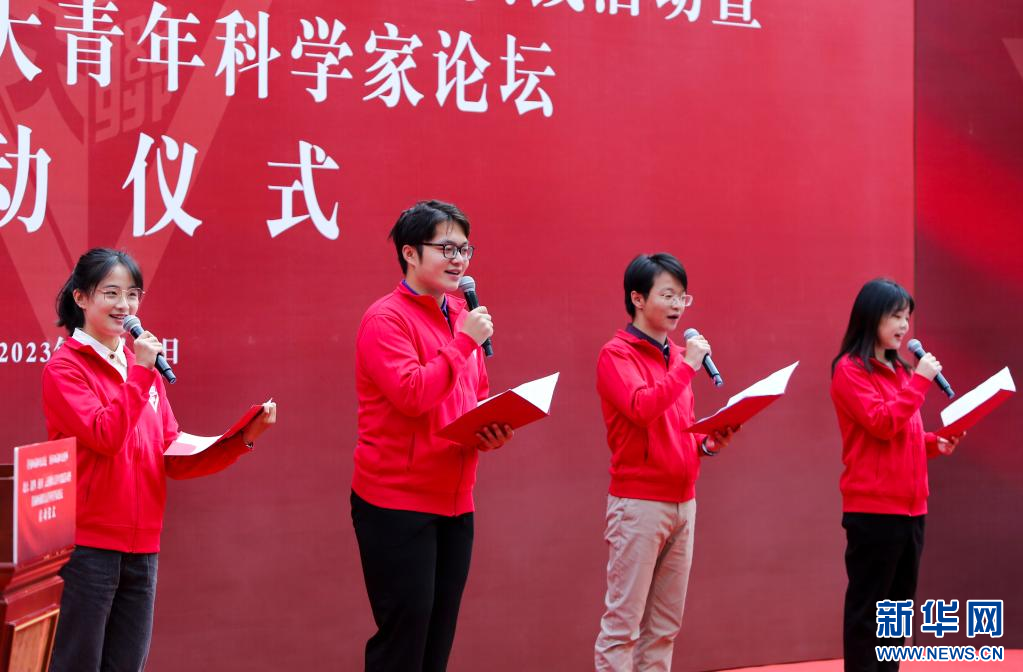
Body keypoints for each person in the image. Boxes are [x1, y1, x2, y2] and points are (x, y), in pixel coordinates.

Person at [42, 248, 277, 672]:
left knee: (127, 664)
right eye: (111, 293)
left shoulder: (141, 369)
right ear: (81, 297)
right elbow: (106, 435)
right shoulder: (66, 369)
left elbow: (171, 455)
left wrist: (242, 439)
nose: (124, 305)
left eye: (132, 294)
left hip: (143, 547)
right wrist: (141, 375)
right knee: (78, 663)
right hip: (88, 547)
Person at [351, 200, 513, 672]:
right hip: (397, 505)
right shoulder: (385, 320)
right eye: (446, 248)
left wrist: (487, 430)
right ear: (409, 253)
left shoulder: (461, 312)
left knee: (437, 642)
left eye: (464, 249)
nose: (458, 259)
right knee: (403, 644)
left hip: (456, 501)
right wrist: (463, 341)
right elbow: (412, 394)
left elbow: (474, 394)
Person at [594, 253, 736, 672]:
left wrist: (707, 445)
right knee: (622, 628)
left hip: (683, 504)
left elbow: (676, 428)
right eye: (668, 295)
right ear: (637, 298)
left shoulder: (677, 356)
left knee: (663, 629)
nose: (677, 305)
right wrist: (688, 366)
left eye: (682, 297)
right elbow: (641, 408)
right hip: (638, 505)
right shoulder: (616, 355)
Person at [830, 278, 962, 672]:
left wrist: (935, 443)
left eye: (907, 316)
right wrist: (921, 380)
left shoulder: (901, 371)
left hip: (912, 509)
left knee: (896, 614)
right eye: (895, 316)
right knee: (867, 612)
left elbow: (905, 434)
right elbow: (882, 423)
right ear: (871, 317)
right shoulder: (850, 371)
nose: (904, 325)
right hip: (874, 511)